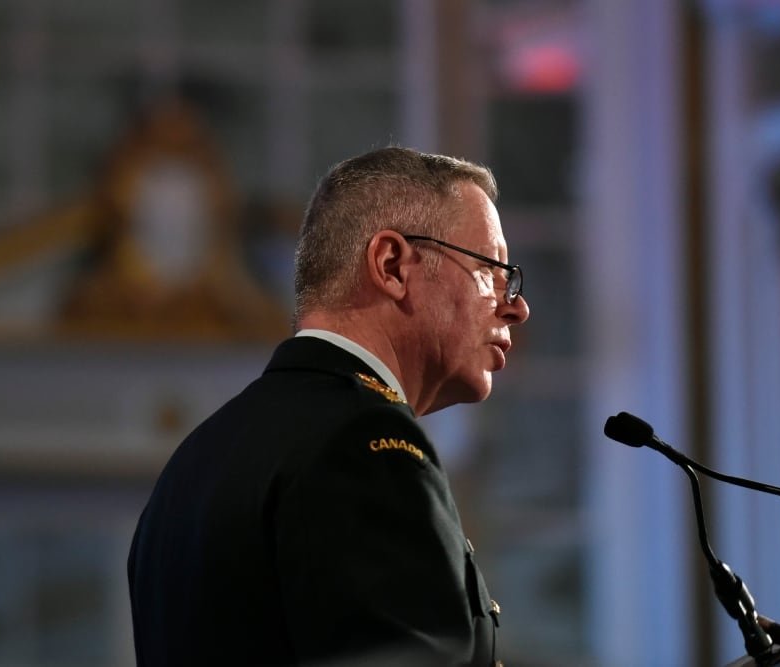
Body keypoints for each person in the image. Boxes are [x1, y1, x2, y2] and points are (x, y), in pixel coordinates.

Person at [128, 146, 530, 666]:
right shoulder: (362, 445)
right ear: (391, 265)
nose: (516, 307)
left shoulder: (195, 461)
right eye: (490, 270)